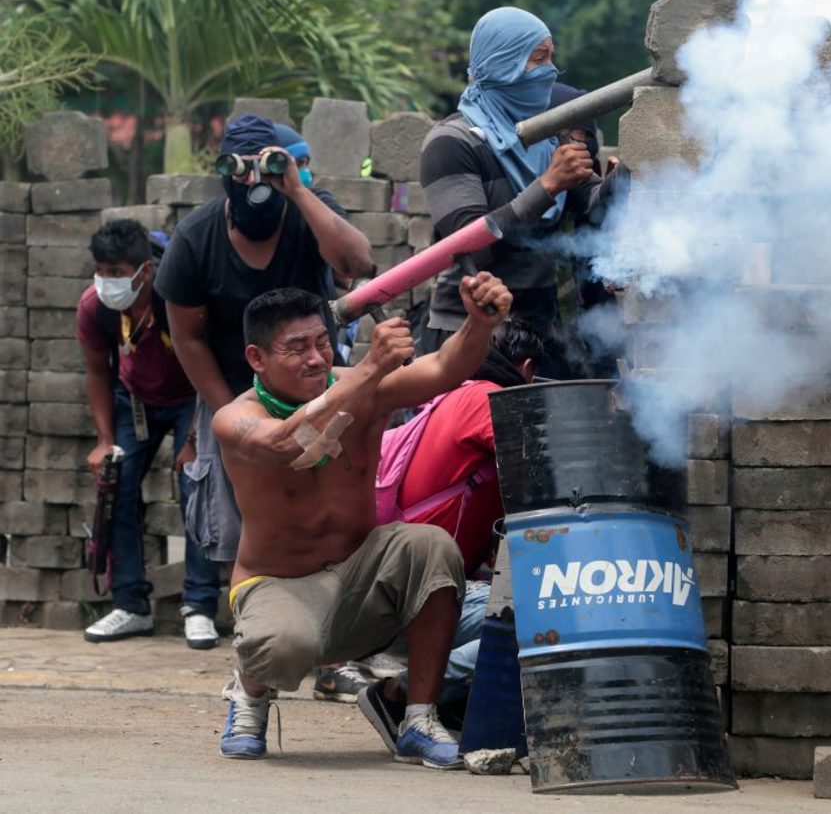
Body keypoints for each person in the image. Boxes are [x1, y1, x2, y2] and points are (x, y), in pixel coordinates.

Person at [213, 272, 513, 766]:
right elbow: (288, 444)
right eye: (297, 348)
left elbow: (443, 367)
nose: (316, 358)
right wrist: (370, 367)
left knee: (430, 544)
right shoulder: (234, 418)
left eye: (321, 343)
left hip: (361, 574)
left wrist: (479, 324)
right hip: (278, 584)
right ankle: (249, 695)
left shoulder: (362, 387)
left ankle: (417, 719)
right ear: (257, 358)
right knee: (284, 645)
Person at [417, 6, 622, 374]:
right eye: (538, 59)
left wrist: (617, 183)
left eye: (551, 58)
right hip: (469, 335)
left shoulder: (547, 137)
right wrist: (548, 185)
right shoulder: (452, 141)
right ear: (501, 61)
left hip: (538, 333)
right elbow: (469, 245)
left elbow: (590, 204)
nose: (550, 71)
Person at [367, 318, 559, 706]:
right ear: (527, 369)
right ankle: (400, 694)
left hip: (400, 585)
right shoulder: (486, 397)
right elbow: (544, 462)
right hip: (417, 595)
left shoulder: (452, 396)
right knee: (546, 619)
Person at [75, 220, 223, 648]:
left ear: (145, 270)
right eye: (101, 270)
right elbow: (96, 373)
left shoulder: (176, 296)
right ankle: (131, 605)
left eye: (117, 272)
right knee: (116, 486)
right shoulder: (95, 307)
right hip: (134, 400)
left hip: (192, 398)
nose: (107, 280)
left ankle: (199, 606)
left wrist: (194, 440)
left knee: (196, 486)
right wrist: (105, 441)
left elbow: (210, 366)